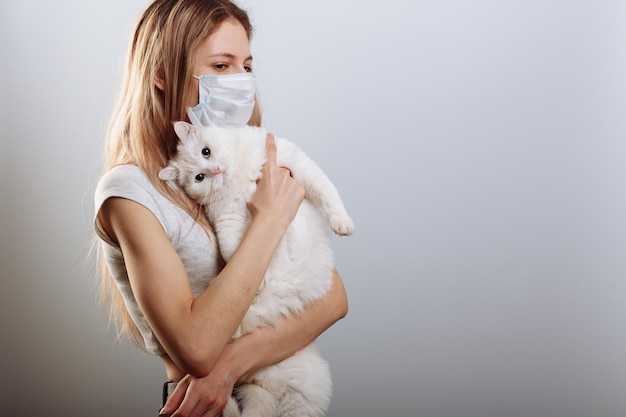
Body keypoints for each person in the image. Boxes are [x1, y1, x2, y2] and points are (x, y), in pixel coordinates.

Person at [93, 1, 349, 416]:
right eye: (221, 65)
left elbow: (332, 297)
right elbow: (196, 347)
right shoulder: (129, 192)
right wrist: (269, 219)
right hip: (206, 407)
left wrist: (230, 364)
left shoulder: (238, 158)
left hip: (270, 387)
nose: (241, 81)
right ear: (161, 73)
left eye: (246, 66)